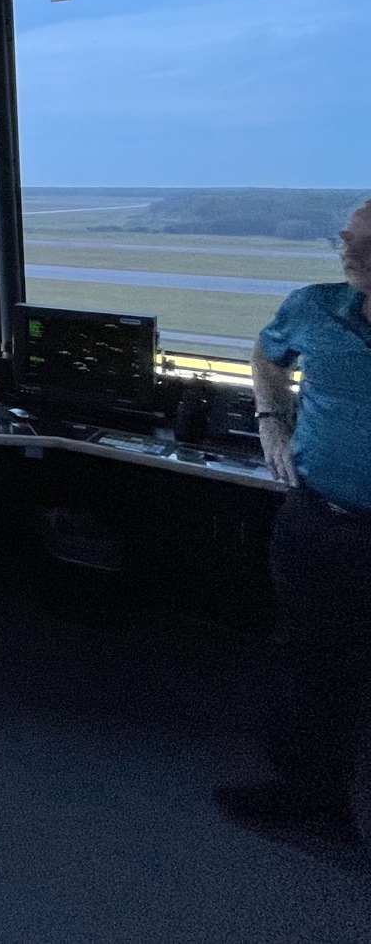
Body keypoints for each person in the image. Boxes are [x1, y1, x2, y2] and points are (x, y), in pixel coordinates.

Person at [215, 198, 371, 841]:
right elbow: (267, 352)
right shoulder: (312, 304)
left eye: (366, 242)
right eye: (346, 237)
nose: (347, 250)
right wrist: (271, 420)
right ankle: (312, 795)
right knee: (311, 665)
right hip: (319, 523)